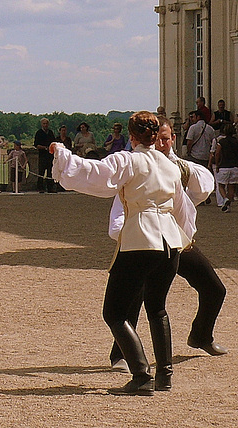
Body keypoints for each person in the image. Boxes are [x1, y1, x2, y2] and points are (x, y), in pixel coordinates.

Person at [50, 111, 197, 396]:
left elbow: (93, 174)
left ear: (131, 136)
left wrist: (62, 152)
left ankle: (141, 375)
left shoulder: (128, 160)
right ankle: (165, 376)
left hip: (139, 239)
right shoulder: (170, 166)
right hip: (170, 242)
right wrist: (184, 238)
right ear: (155, 136)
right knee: (157, 307)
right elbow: (183, 208)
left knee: (115, 313)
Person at [108, 116, 227, 376]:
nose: (161, 142)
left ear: (172, 139)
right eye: (157, 138)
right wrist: (125, 235)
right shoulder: (136, 164)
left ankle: (201, 335)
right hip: (144, 240)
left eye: (166, 138)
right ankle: (120, 356)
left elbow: (202, 187)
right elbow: (119, 211)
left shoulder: (179, 167)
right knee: (134, 298)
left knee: (214, 288)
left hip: (177, 241)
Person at [215, 123, 238, 213]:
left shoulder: (221, 142)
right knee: (231, 187)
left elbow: (217, 153)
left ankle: (225, 199)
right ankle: (228, 203)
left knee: (221, 185)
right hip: (235, 167)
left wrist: (217, 164)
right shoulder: (236, 141)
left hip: (224, 166)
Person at [34, 118, 55, 193]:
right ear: (41, 124)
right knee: (41, 172)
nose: (45, 125)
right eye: (44, 124)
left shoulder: (50, 133)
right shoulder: (39, 133)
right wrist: (44, 148)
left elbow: (53, 142)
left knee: (50, 172)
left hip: (50, 155)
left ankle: (50, 187)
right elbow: (36, 145)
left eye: (46, 123)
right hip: (42, 155)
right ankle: (40, 188)